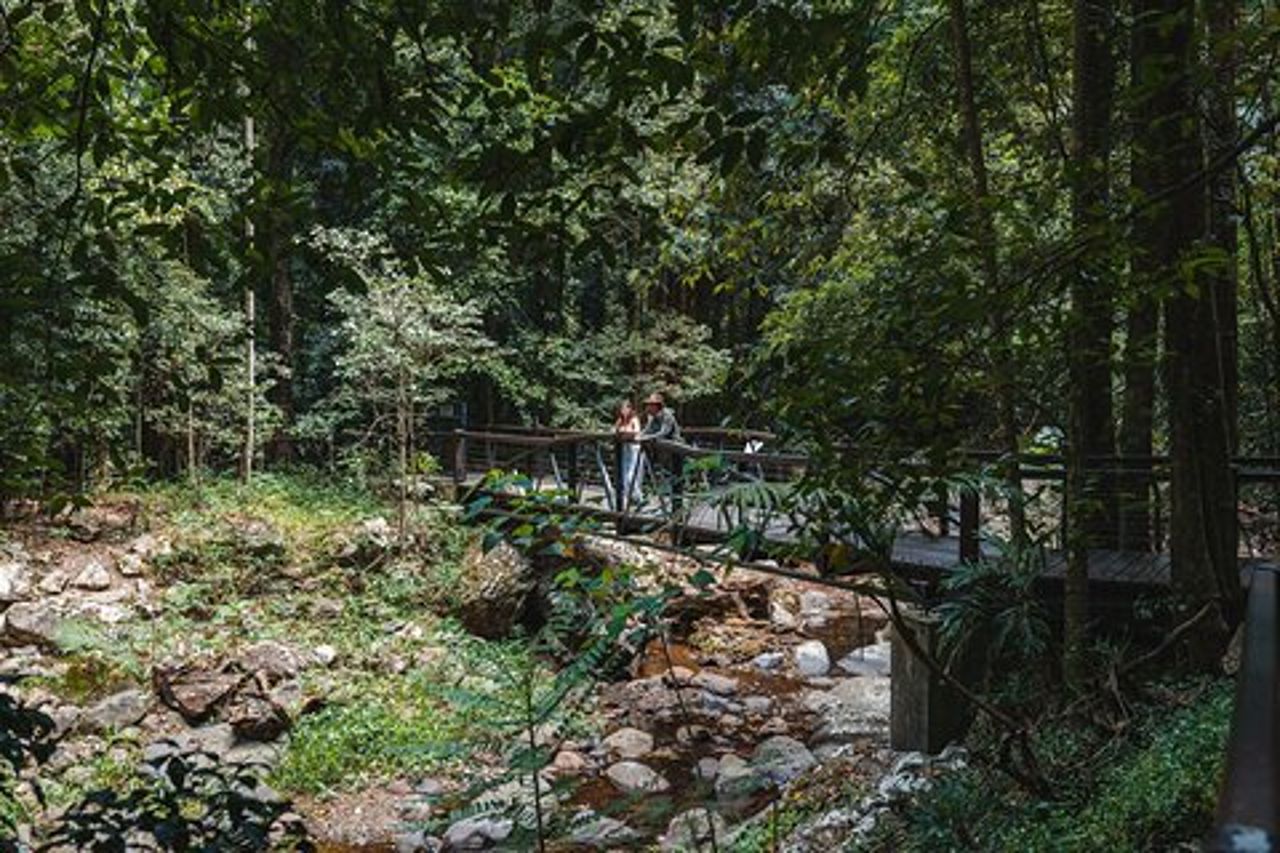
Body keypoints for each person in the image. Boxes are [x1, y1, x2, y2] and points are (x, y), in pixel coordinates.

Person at [639, 392, 683, 510]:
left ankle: (677, 509)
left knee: (676, 479)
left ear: (657, 406)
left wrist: (647, 437)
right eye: (647, 405)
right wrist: (639, 436)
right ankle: (667, 506)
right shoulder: (654, 418)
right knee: (664, 476)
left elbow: (664, 432)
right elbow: (647, 430)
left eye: (650, 405)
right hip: (664, 451)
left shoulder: (667, 415)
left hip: (676, 451)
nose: (647, 407)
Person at [613, 400, 642, 508]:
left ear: (630, 409)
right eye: (622, 409)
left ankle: (639, 498)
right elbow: (614, 430)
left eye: (625, 408)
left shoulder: (634, 420)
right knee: (624, 476)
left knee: (631, 476)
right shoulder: (620, 421)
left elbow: (637, 432)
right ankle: (631, 499)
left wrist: (626, 433)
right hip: (624, 449)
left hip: (634, 449)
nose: (623, 411)